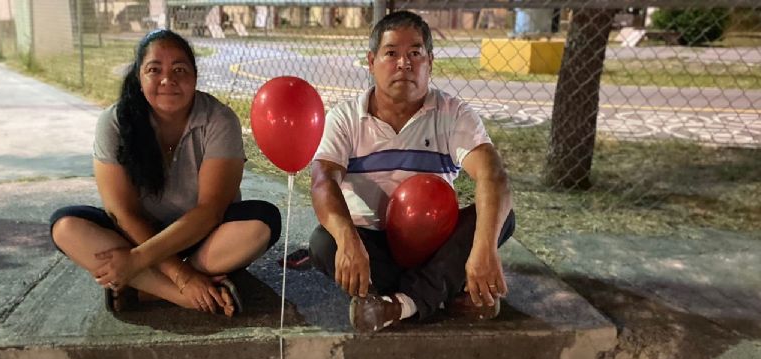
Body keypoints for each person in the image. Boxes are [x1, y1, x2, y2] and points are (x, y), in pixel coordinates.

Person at [308, 10, 515, 333]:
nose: (404, 64)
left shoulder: (452, 113)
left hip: (435, 240)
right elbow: (323, 181)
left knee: (500, 217)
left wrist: (483, 250)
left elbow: (493, 176)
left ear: (430, 62)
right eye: (391, 53)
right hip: (373, 246)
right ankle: (442, 290)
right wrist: (348, 239)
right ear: (371, 60)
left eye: (415, 53)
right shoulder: (346, 117)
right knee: (324, 243)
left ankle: (397, 304)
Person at [50, 29, 280, 315]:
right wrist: (183, 281)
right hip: (137, 235)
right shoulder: (114, 122)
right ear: (139, 77)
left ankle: (143, 289)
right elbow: (123, 213)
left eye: (180, 69)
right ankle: (184, 295)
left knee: (262, 222)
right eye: (154, 69)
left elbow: (210, 211)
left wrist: (135, 262)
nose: (168, 80)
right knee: (66, 228)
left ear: (195, 77)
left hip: (201, 238)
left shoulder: (219, 120)